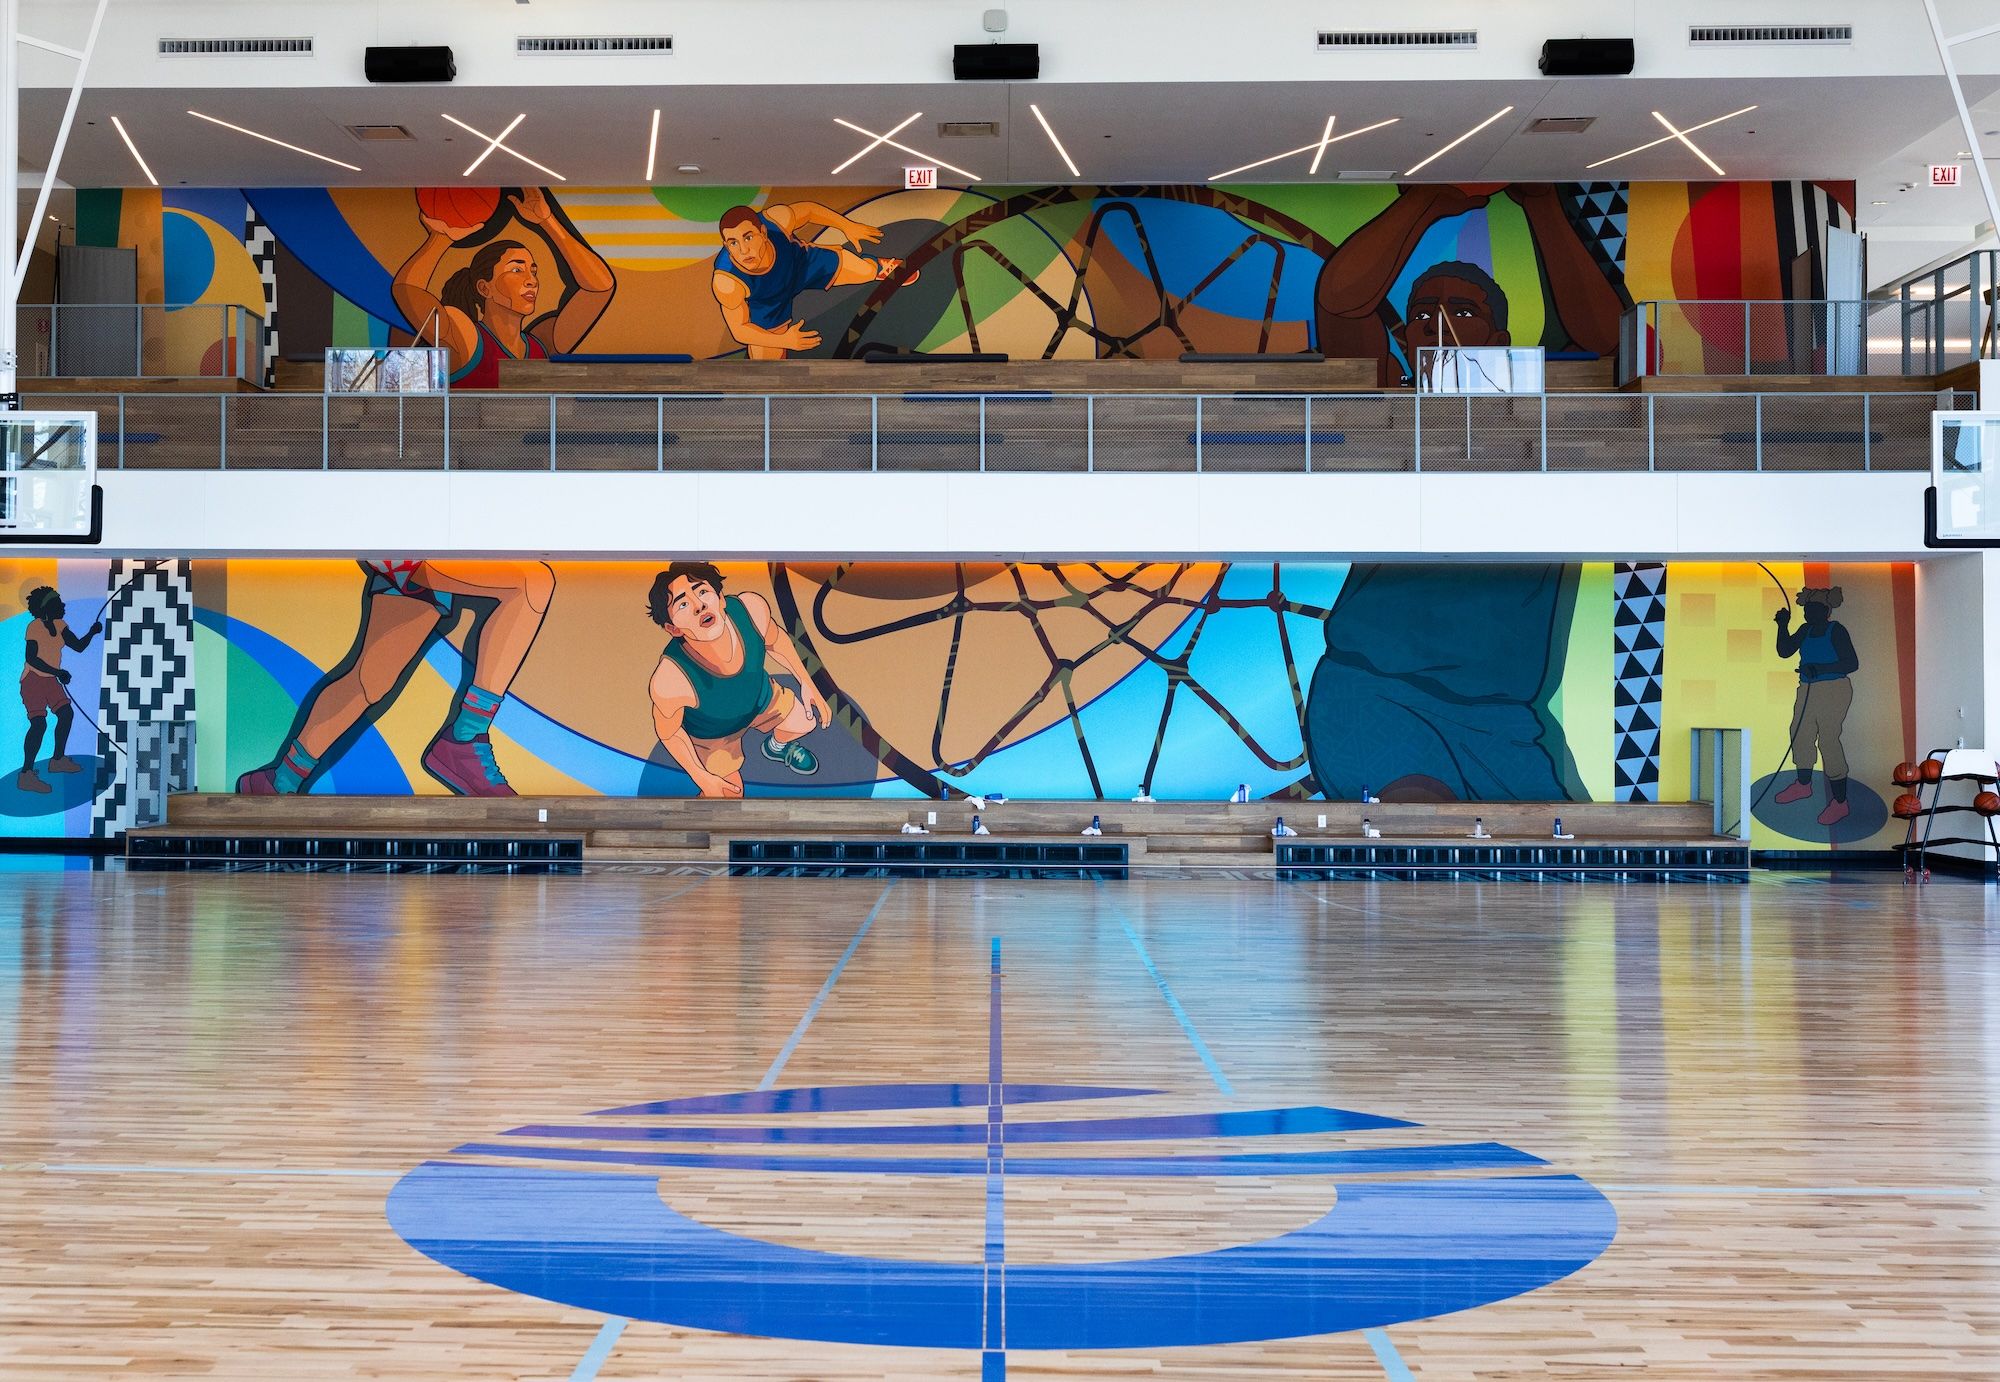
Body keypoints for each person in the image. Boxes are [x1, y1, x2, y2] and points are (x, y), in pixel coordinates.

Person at [236, 561, 555, 797]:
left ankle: (281, 779)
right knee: (533, 582)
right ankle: (464, 738)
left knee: (368, 683)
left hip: (417, 554)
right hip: (415, 542)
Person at [1312, 183, 1624, 386]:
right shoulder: (1388, 382)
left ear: (1499, 341)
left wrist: (1544, 207)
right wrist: (1423, 203)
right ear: (1406, 338)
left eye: (1462, 313)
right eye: (1421, 316)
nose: (1437, 325)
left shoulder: (1524, 386)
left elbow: (1603, 341)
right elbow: (1340, 302)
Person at [392, 187, 614, 388]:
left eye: (533, 271)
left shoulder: (543, 341)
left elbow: (599, 289)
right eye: (517, 270)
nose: (532, 280)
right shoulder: (466, 336)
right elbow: (407, 290)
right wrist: (441, 238)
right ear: (484, 288)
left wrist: (547, 221)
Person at [646, 562, 831, 798]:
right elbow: (669, 733)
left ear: (720, 598)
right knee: (726, 797)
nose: (699, 605)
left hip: (761, 701)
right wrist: (702, 778)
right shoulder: (670, 678)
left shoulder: (751, 609)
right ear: (673, 628)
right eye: (682, 603)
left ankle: (776, 748)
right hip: (714, 735)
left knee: (805, 722)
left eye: (702, 591)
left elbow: (775, 640)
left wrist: (807, 682)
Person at [710, 203, 916, 359]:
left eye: (748, 237)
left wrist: (847, 226)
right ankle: (773, 411)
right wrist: (784, 340)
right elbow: (739, 329)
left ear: (763, 233)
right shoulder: (726, 282)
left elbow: (808, 210)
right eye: (733, 243)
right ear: (726, 246)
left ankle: (878, 267)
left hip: (801, 265)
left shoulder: (776, 220)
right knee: (766, 367)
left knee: (864, 270)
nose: (743, 250)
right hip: (767, 303)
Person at [1772, 586, 1859, 827]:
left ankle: (1840, 802)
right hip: (1808, 688)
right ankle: (1803, 785)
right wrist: (1782, 625)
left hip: (1834, 689)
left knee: (1828, 740)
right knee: (1800, 733)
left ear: (1826, 610)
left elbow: (1851, 663)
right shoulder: (1805, 629)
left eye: (1814, 609)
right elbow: (1784, 651)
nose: (1809, 613)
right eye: (1807, 609)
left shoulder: (1836, 630)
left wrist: (1820, 669)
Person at [17, 587, 99, 794]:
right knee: (39, 725)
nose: (62, 606)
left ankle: (57, 760)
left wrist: (92, 631)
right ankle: (26, 775)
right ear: (46, 608)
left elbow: (78, 646)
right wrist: (58, 671)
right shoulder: (34, 627)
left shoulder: (60, 625)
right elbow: (31, 658)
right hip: (33, 680)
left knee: (66, 713)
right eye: (57, 603)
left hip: (51, 679)